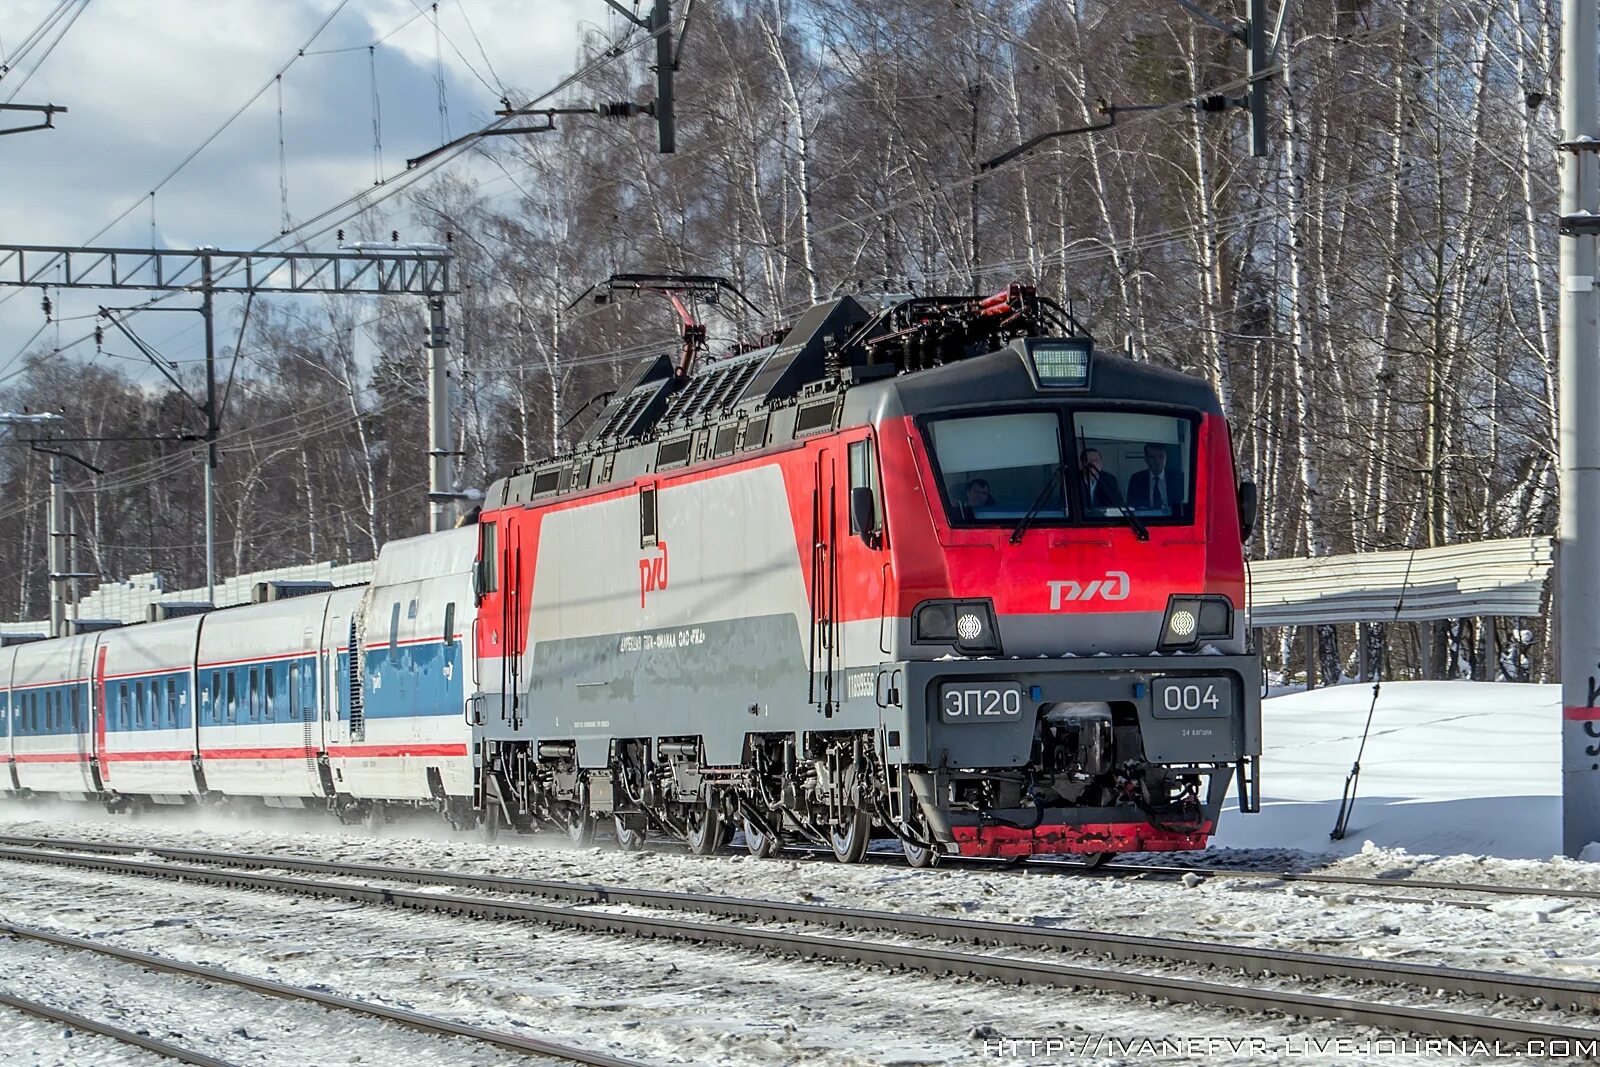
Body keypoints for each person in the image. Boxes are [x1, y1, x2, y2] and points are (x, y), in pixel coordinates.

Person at [1126, 442, 1183, 511]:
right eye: (1152, 457)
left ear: (1166, 457)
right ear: (1146, 460)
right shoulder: (1136, 479)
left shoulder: (1179, 479)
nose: (1157, 461)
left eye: (1161, 456)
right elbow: (1131, 508)